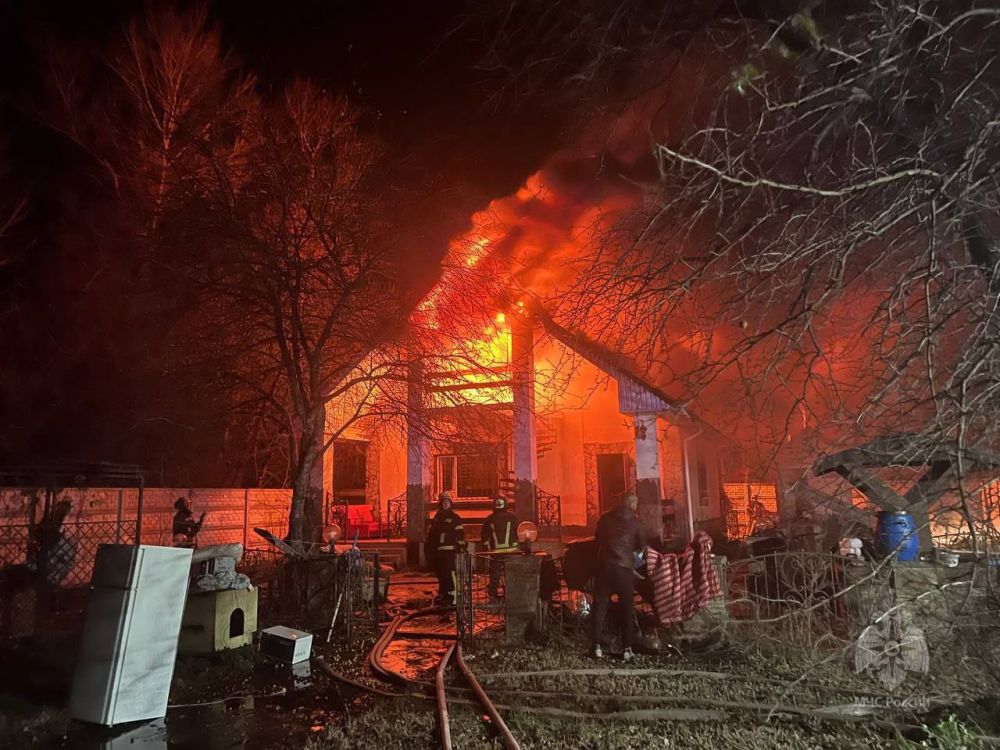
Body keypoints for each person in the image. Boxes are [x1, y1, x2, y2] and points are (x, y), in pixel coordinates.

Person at [590, 491, 646, 661]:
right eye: (636, 504)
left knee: (600, 606)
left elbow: (597, 540)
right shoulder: (636, 522)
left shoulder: (605, 518)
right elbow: (641, 547)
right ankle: (626, 649)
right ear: (632, 504)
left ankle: (596, 647)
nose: (636, 507)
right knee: (626, 608)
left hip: (605, 566)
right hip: (624, 569)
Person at [427, 491, 465, 605]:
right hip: (439, 552)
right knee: (441, 574)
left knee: (450, 574)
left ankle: (452, 596)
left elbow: (460, 534)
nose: (445, 504)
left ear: (451, 504)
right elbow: (432, 535)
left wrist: (460, 548)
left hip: (450, 551)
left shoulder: (455, 517)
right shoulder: (437, 518)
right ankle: (443, 594)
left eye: (447, 502)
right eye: (443, 502)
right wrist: (430, 550)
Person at [481, 495, 519, 599]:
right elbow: (519, 532)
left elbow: (484, 535)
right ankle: (513, 594)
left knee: (495, 575)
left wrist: (485, 548)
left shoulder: (489, 519)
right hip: (512, 552)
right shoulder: (513, 517)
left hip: (496, 553)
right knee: (512, 574)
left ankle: (492, 594)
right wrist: (523, 546)